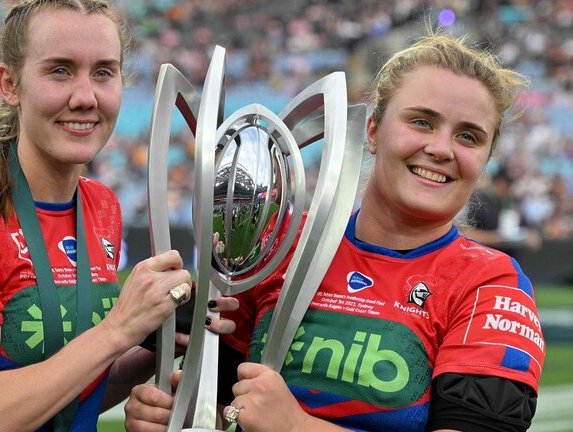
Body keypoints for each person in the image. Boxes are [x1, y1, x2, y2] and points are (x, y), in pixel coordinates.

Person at [124, 27, 545, 432]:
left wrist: (296, 426)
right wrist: (176, 416)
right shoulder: (280, 245)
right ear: (374, 131)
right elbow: (226, 406)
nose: (440, 148)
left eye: (469, 137)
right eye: (421, 122)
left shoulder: (491, 285)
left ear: (486, 159)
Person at [0, 1, 234, 431]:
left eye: (104, 72)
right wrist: (117, 329)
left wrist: (155, 341)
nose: (85, 97)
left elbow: (63, 398)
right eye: (60, 70)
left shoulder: (102, 205)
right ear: (10, 84)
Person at [463, 165, 541, 258]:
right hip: (485, 255)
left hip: (511, 255)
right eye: (507, 185)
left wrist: (531, 235)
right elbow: (468, 233)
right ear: (499, 183)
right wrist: (494, 238)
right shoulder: (480, 202)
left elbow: (527, 226)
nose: (509, 189)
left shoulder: (512, 201)